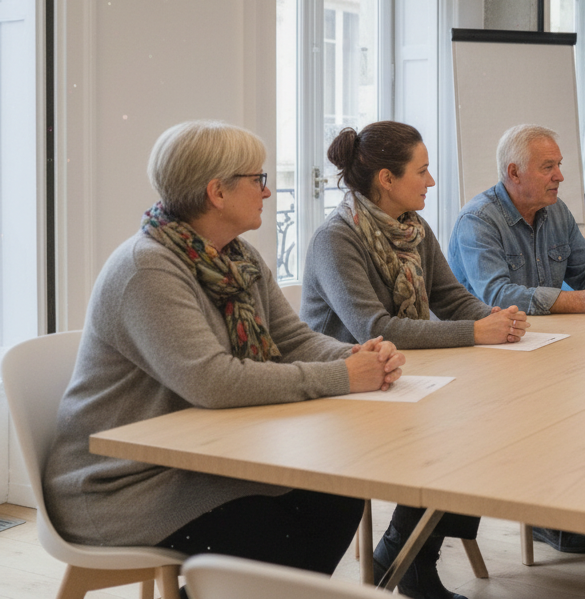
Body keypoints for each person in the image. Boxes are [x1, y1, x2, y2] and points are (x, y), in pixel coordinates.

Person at [43, 121, 404, 577]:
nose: (268, 192)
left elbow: (291, 340)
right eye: (258, 179)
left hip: (199, 460)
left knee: (339, 491)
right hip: (122, 485)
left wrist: (353, 357)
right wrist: (343, 377)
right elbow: (213, 381)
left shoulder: (236, 256)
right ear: (217, 191)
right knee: (279, 537)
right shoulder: (147, 270)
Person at [302, 121, 528, 599]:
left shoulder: (413, 228)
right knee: (457, 435)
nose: (430, 181)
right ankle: (407, 559)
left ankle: (410, 557)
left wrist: (496, 318)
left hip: (401, 379)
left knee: (486, 424)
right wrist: (475, 332)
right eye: (422, 171)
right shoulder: (336, 239)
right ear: (387, 179)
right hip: (344, 393)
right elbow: (376, 328)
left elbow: (451, 298)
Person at [448, 123, 585, 555]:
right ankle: (543, 513)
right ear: (514, 172)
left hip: (543, 349)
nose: (560, 177)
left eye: (559, 166)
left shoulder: (556, 212)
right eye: (549, 167)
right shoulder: (477, 221)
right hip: (483, 362)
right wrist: (584, 303)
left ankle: (560, 509)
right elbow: (495, 295)